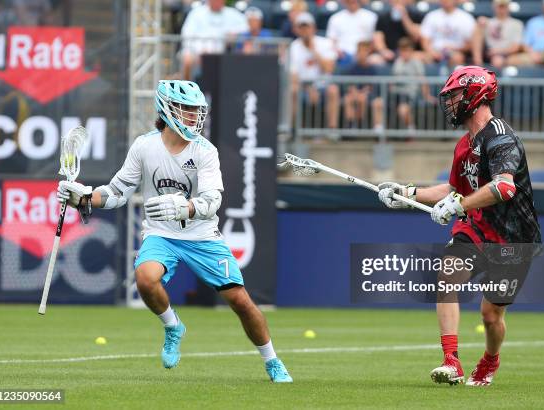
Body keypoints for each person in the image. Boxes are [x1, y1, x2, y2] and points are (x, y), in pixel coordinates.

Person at [56, 80, 293, 383]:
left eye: (197, 111)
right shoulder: (144, 146)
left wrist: (185, 208)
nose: (194, 117)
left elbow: (212, 201)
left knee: (241, 301)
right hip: (161, 235)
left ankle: (272, 360)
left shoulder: (205, 151)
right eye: (188, 110)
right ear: (167, 110)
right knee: (145, 278)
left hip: (203, 236)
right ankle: (172, 326)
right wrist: (84, 198)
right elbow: (117, 192)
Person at [377, 66, 541, 386]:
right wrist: (406, 192)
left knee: (491, 316)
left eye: (454, 96)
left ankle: (490, 360)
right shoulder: (464, 144)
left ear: (475, 96)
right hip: (476, 228)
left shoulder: (501, 138)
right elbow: (454, 189)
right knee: (447, 276)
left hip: (513, 238)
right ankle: (451, 361)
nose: (449, 103)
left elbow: (504, 188)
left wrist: (460, 204)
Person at [289, 12, 340, 132]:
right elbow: (293, 75)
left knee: (333, 90)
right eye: (302, 27)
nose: (305, 30)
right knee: (293, 90)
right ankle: (292, 131)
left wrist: (314, 51)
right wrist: (308, 88)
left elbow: (329, 69)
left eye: (307, 27)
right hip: (303, 86)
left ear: (314, 28)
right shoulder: (293, 47)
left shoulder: (325, 43)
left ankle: (332, 131)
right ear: (296, 30)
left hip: (322, 86)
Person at [180, 0, 248, 79]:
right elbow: (187, 34)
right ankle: (186, 88)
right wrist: (199, 51)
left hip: (223, 53)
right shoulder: (196, 13)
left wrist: (235, 34)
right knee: (187, 59)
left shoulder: (232, 13)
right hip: (197, 52)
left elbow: (246, 27)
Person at [391, 37, 436, 132]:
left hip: (409, 94)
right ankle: (381, 136)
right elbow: (392, 80)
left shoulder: (417, 63)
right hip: (395, 94)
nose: (404, 53)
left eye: (406, 50)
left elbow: (423, 80)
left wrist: (427, 96)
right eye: (402, 50)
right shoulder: (397, 62)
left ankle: (411, 130)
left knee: (403, 109)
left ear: (411, 51)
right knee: (379, 103)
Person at [341, 41, 384, 131]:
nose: (362, 54)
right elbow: (348, 85)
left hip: (368, 95)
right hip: (354, 94)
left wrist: (363, 92)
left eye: (365, 51)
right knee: (348, 98)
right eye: (360, 51)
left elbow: (372, 86)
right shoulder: (351, 68)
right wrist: (354, 91)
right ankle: (351, 126)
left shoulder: (372, 69)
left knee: (364, 98)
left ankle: (363, 124)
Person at [471, 0, 525, 70]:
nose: (502, 9)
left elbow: (516, 47)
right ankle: (478, 64)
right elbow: (478, 37)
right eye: (499, 6)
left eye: (504, 6)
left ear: (508, 7)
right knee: (479, 27)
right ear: (494, 7)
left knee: (498, 60)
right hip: (489, 53)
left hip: (507, 54)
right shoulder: (487, 22)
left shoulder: (516, 24)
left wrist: (498, 51)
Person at [420, 0, 476, 66]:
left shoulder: (466, 17)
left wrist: (455, 48)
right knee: (421, 57)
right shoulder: (431, 16)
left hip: (456, 51)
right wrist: (432, 52)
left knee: (457, 58)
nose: (446, 1)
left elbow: (469, 44)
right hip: (435, 50)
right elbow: (425, 40)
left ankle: (454, 76)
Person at [326, 0, 377, 67]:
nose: (351, 3)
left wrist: (367, 52)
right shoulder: (335, 18)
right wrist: (338, 52)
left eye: (353, 1)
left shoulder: (371, 16)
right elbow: (331, 40)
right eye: (348, 1)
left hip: (365, 52)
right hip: (342, 55)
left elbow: (375, 39)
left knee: (376, 60)